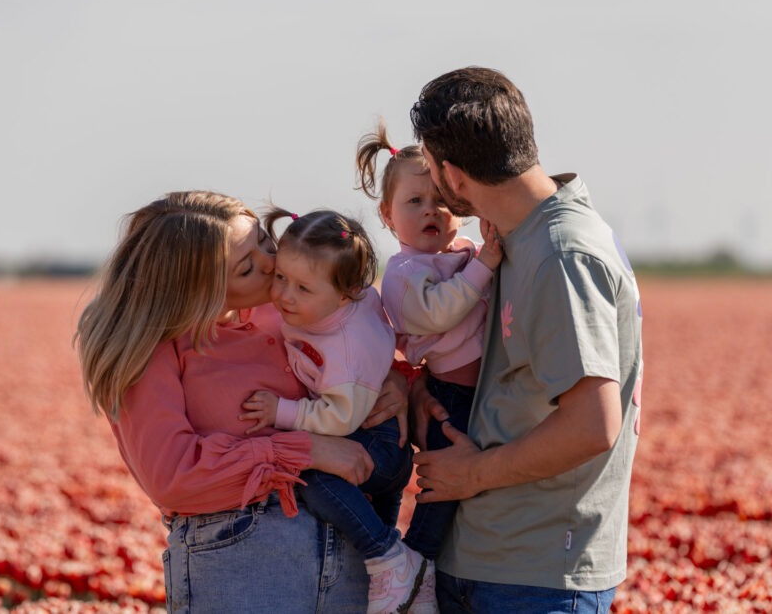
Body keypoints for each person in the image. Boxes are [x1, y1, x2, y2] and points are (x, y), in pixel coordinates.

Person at [75, 191, 410, 614]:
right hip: (243, 561)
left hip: (354, 549)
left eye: (266, 243)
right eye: (247, 267)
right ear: (199, 290)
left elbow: (354, 347)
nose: (273, 264)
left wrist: (395, 383)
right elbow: (173, 476)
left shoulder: (287, 306)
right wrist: (306, 451)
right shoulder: (152, 349)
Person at [408, 67, 644, 614]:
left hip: (535, 571)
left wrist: (473, 473)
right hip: (494, 556)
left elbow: (593, 424)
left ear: (453, 175)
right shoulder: (517, 236)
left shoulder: (562, 255)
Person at [239, 207, 425, 614]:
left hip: (376, 442)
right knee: (383, 548)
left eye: (302, 289)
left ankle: (387, 555)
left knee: (312, 473)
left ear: (346, 293)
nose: (285, 295)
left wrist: (281, 412)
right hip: (378, 433)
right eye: (281, 278)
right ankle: (407, 583)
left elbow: (340, 419)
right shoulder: (332, 304)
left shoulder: (345, 351)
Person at [354, 121, 502, 613]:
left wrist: (483, 254)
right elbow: (442, 311)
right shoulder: (403, 274)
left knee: (465, 485)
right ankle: (412, 566)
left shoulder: (461, 253)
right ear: (387, 215)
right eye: (414, 202)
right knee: (440, 491)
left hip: (482, 389)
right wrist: (486, 266)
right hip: (449, 394)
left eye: (440, 198)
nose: (430, 210)